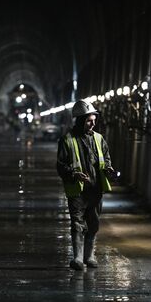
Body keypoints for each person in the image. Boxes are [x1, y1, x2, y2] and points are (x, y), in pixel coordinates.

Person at [57, 99, 117, 271]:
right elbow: (61, 165)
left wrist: (109, 170)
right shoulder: (67, 140)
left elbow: (105, 159)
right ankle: (77, 258)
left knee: (94, 224)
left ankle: (89, 256)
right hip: (77, 190)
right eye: (90, 121)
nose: (93, 124)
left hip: (95, 189)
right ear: (81, 120)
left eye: (94, 121)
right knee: (77, 223)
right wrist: (73, 174)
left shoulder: (99, 139)